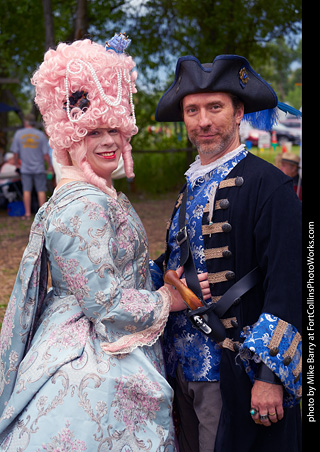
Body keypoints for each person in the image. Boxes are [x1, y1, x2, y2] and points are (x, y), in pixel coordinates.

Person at [0, 35, 190, 452]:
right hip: (92, 347)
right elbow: (104, 305)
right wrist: (167, 301)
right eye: (92, 132)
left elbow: (118, 265)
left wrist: (162, 273)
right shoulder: (83, 204)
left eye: (114, 130)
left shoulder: (100, 193)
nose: (107, 142)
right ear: (70, 139)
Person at [151, 55, 302, 452]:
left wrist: (270, 376)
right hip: (177, 369)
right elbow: (175, 263)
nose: (203, 121)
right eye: (192, 110)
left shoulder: (269, 187)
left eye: (215, 107)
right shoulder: (190, 186)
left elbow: (291, 284)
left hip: (232, 374)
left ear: (238, 113)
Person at [10, 113, 53, 219]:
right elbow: (46, 154)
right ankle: (42, 215)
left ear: (25, 122)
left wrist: (16, 163)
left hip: (25, 168)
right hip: (39, 167)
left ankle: (28, 214)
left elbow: (15, 153)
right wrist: (50, 166)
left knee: (26, 190)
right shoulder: (40, 135)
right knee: (41, 190)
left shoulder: (19, 134)